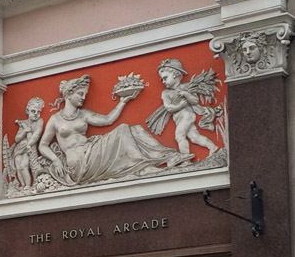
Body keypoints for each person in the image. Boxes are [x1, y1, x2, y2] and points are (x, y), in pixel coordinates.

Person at [38, 75, 190, 186]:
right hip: (78, 166)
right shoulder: (55, 119)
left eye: (85, 94)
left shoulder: (84, 114)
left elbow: (107, 120)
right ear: (69, 94)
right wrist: (56, 160)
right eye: (80, 94)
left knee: (135, 129)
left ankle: (168, 157)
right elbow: (42, 145)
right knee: (123, 130)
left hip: (92, 151)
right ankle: (143, 166)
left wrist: (123, 102)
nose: (83, 97)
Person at [145, 58, 219, 156]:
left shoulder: (186, 87)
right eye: (162, 79)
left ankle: (185, 159)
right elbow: (169, 108)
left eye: (165, 78)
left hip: (187, 115)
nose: (163, 81)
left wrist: (186, 94)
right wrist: (180, 105)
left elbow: (195, 101)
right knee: (194, 137)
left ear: (176, 75)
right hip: (178, 118)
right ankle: (212, 147)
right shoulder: (165, 93)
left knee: (179, 136)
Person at [12, 97, 45, 187]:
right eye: (33, 111)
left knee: (23, 166)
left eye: (38, 112)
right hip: (18, 149)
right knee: (18, 168)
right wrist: (25, 131)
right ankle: (22, 186)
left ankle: (27, 186)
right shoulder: (23, 123)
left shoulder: (39, 121)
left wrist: (29, 144)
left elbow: (36, 135)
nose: (36, 114)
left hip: (28, 149)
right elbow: (17, 139)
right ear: (27, 111)